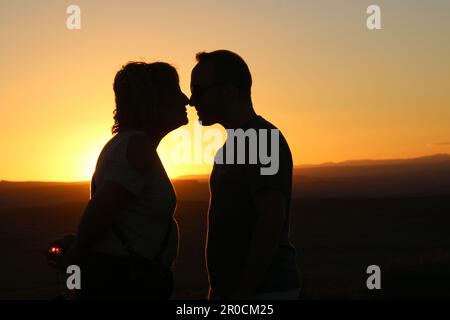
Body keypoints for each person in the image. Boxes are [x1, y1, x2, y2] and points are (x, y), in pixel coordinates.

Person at [60, 61, 189, 299]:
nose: (186, 99)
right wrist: (74, 257)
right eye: (176, 92)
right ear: (154, 102)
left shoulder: (130, 144)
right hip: (125, 285)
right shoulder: (137, 146)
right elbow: (99, 212)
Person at [189, 50, 301, 300]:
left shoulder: (260, 139)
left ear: (228, 91)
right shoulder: (232, 146)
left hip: (265, 291)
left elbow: (270, 219)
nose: (192, 100)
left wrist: (243, 291)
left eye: (199, 90)